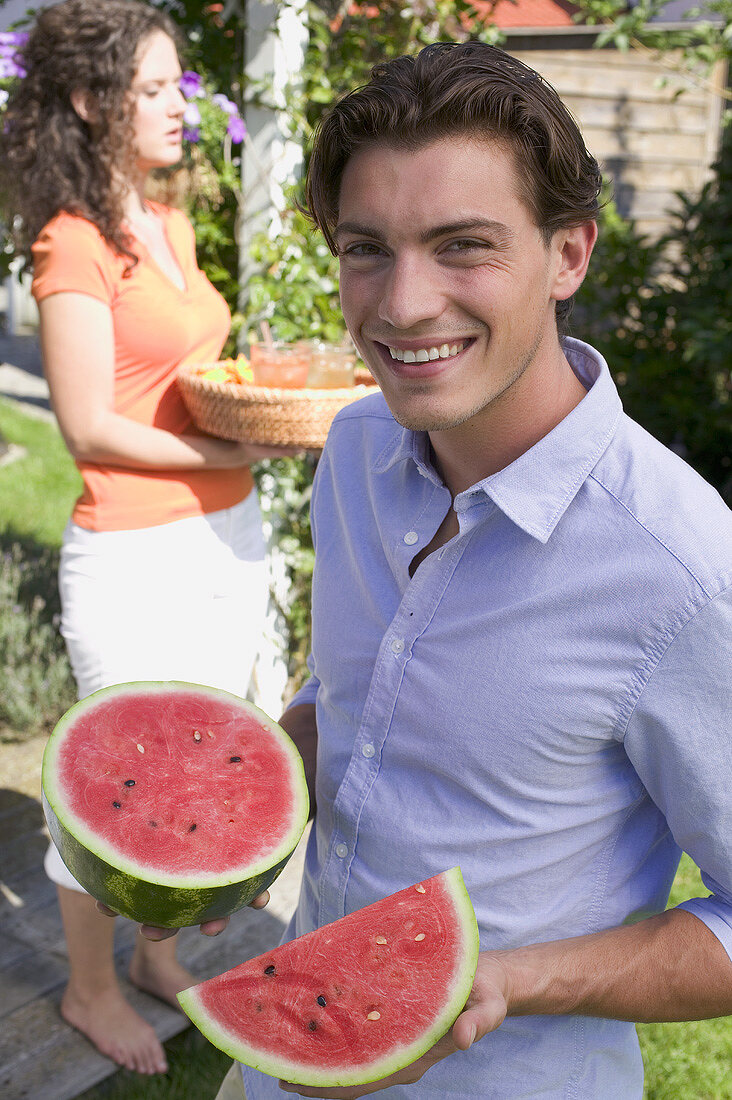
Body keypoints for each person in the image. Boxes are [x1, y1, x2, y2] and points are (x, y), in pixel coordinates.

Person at [197, 41, 732, 1100]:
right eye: (366, 249)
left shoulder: (683, 571)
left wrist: (507, 981)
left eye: (463, 246)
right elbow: (345, 690)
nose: (401, 305)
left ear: (569, 253)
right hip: (279, 1061)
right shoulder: (354, 451)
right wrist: (252, 791)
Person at [0, 0, 289, 1077]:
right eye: (157, 89)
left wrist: (253, 402)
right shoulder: (68, 240)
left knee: (204, 770)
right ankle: (87, 985)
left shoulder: (166, 218)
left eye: (183, 86)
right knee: (113, 781)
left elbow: (178, 381)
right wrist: (234, 457)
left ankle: (158, 957)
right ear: (90, 101)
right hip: (133, 551)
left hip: (225, 535)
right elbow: (87, 425)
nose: (183, 107)